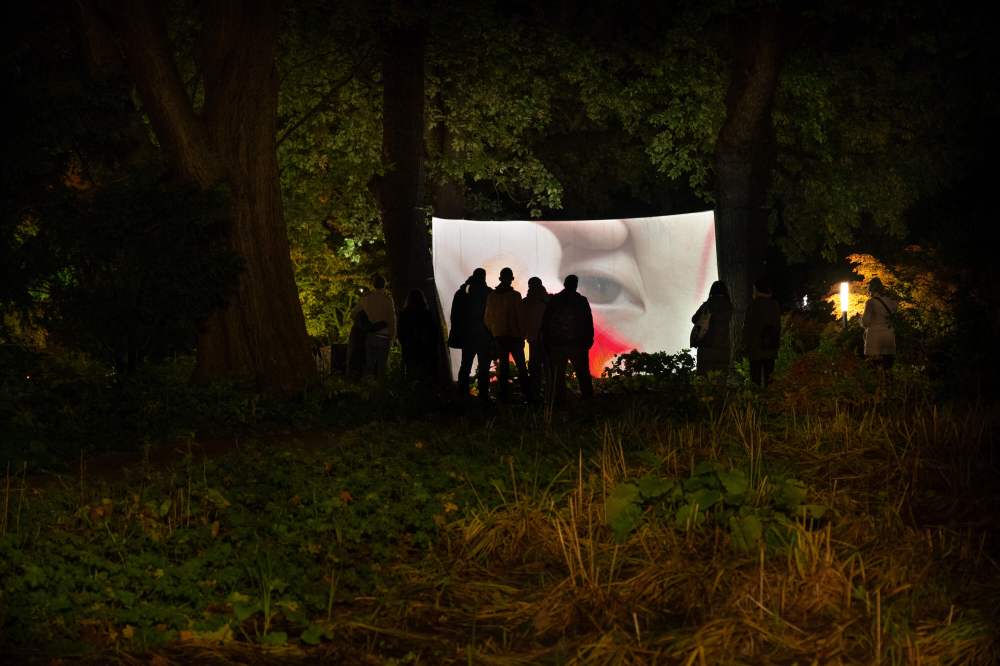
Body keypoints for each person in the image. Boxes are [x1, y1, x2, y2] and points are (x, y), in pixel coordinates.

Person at [541, 274, 594, 403]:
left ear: (564, 284)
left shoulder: (554, 300)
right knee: (583, 374)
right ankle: (588, 400)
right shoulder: (581, 301)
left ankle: (560, 401)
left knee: (558, 376)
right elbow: (588, 321)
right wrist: (588, 340)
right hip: (577, 344)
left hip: (558, 344)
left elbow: (545, 322)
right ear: (576, 285)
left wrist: (548, 342)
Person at [485, 267, 532, 402]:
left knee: (504, 369)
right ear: (510, 279)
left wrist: (494, 333)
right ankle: (527, 395)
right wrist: (522, 335)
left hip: (499, 337)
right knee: (522, 368)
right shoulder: (515, 296)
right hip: (515, 338)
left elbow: (487, 319)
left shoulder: (492, 297)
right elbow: (521, 317)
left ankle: (504, 396)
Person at [452, 268, 494, 403]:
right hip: (485, 336)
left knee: (465, 365)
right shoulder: (489, 293)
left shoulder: (463, 293)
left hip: (468, 336)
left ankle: (462, 393)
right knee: (484, 367)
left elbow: (455, 315)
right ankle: (483, 395)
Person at [742, 277, 781, 387]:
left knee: (756, 380)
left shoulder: (753, 306)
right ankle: (770, 401)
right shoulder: (774, 305)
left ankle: (757, 401)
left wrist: (744, 346)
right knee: (770, 379)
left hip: (755, 348)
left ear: (757, 290)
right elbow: (778, 326)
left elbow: (747, 328)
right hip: (770, 347)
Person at [355, 274, 396, 377]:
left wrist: (363, 325)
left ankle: (368, 389)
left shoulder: (366, 298)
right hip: (384, 335)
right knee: (382, 367)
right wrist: (393, 335)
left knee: (370, 366)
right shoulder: (387, 299)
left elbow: (354, 314)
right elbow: (392, 318)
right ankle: (381, 390)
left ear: (373, 285)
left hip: (370, 335)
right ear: (384, 285)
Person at [691, 281, 732, 376]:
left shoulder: (708, 304)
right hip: (723, 347)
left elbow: (694, 319)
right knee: (720, 376)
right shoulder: (729, 306)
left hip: (706, 346)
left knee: (703, 376)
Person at [397, 288, 437, 382]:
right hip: (424, 348)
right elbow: (433, 332)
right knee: (424, 374)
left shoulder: (405, 314)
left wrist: (404, 343)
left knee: (411, 373)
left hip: (409, 347)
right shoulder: (427, 314)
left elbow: (400, 332)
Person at [521, 277, 549, 401]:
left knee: (535, 370)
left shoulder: (525, 302)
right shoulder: (548, 301)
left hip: (533, 340)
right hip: (546, 341)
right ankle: (550, 397)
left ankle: (535, 397)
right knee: (548, 370)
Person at [861, 277, 897, 370]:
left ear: (871, 288)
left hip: (875, 339)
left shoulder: (871, 302)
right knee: (888, 368)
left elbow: (866, 322)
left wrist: (859, 320)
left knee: (874, 368)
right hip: (889, 337)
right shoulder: (891, 302)